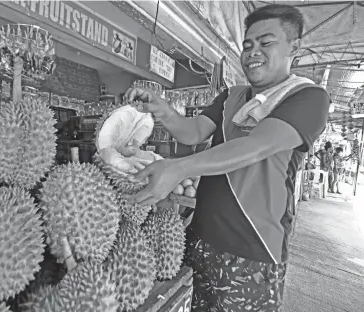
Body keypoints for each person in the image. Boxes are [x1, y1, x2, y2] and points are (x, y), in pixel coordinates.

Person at [123, 4, 329, 311]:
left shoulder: (307, 97)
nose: (253, 52)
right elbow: (192, 132)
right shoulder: (231, 96)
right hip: (201, 237)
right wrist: (161, 108)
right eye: (247, 45)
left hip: (253, 250)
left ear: (294, 48)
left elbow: (255, 146)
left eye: (265, 43)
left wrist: (178, 168)